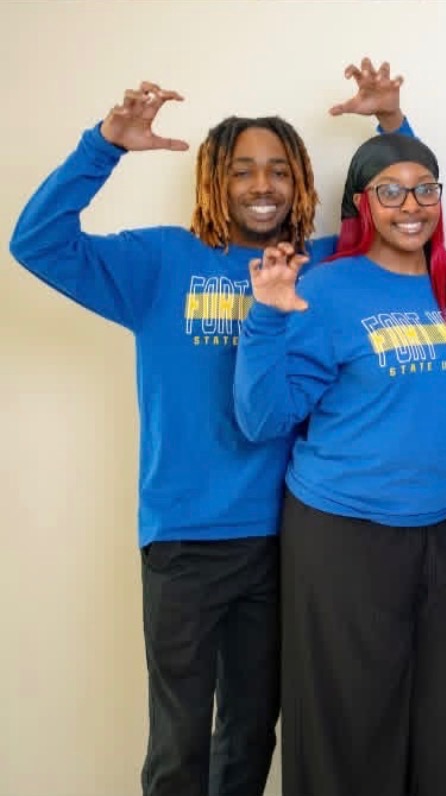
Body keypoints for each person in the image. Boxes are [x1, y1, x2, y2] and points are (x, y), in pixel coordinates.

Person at [7, 59, 410, 796]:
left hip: (287, 534)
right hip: (184, 538)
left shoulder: (319, 266)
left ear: (300, 185)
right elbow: (37, 243)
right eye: (244, 171)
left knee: (253, 730)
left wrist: (391, 125)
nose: (263, 186)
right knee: (180, 738)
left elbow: (400, 211)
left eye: (280, 171)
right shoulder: (160, 260)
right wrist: (106, 145)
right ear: (215, 182)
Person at [233, 132, 446, 796]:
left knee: (433, 716)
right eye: (390, 191)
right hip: (344, 532)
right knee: (348, 721)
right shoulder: (327, 289)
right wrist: (265, 319)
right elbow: (263, 419)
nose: (411, 204)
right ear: (363, 203)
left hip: (443, 530)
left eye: (425, 189)